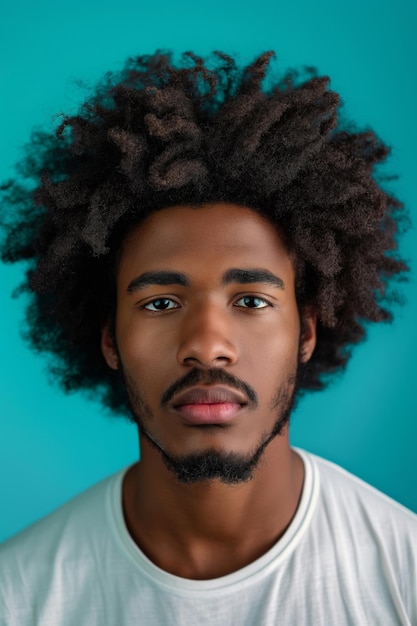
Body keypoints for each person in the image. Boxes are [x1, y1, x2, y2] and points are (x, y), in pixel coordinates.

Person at [0, 51, 416, 625]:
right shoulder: (17, 597)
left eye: (251, 300)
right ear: (110, 341)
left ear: (307, 332)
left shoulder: (405, 576)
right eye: (161, 303)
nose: (207, 345)